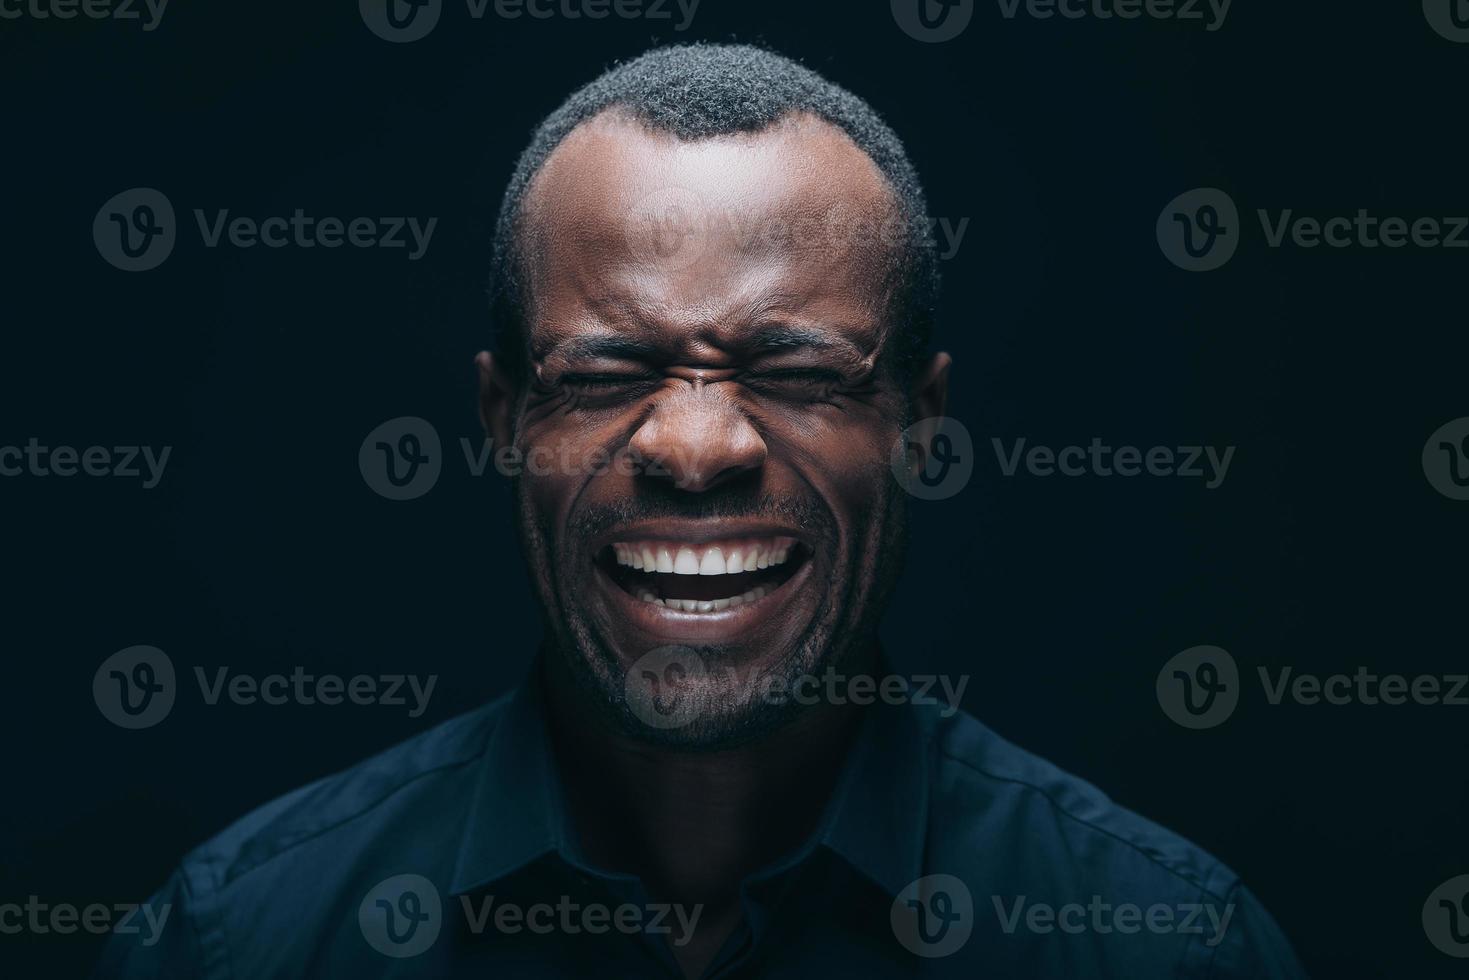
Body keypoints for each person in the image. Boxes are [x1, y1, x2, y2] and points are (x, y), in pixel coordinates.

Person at [96, 42, 1307, 978]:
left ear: (916, 423)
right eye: (609, 371)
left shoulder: (1163, 946)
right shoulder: (238, 943)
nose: (694, 446)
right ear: (503, 418)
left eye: (792, 372)